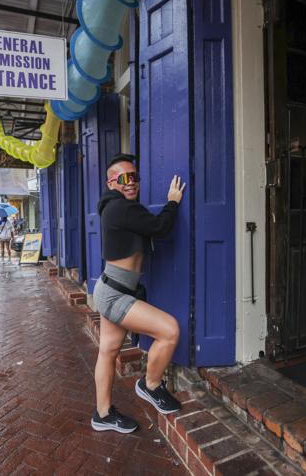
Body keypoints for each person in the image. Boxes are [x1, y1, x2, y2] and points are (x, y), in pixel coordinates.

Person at [90, 154, 186, 433]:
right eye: (124, 178)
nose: (132, 183)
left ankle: (103, 414)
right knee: (169, 331)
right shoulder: (121, 208)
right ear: (111, 182)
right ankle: (150, 384)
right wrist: (172, 202)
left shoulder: (116, 207)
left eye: (135, 177)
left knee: (108, 352)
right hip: (115, 294)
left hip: (112, 288)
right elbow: (159, 227)